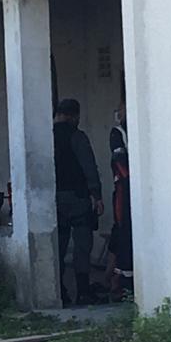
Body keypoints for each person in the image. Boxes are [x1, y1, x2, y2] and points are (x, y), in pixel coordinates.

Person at [53, 98, 103, 306]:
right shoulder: (77, 136)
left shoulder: (48, 136)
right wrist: (97, 195)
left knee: (59, 246)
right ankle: (83, 291)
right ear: (74, 116)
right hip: (78, 198)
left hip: (55, 199)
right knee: (82, 245)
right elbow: (89, 167)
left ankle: (60, 292)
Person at [108, 99, 133, 300]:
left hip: (133, 188)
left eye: (121, 110)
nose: (119, 113)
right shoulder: (118, 133)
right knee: (122, 229)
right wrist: (130, 179)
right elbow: (119, 162)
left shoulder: (134, 128)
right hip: (124, 189)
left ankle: (122, 279)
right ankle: (118, 281)